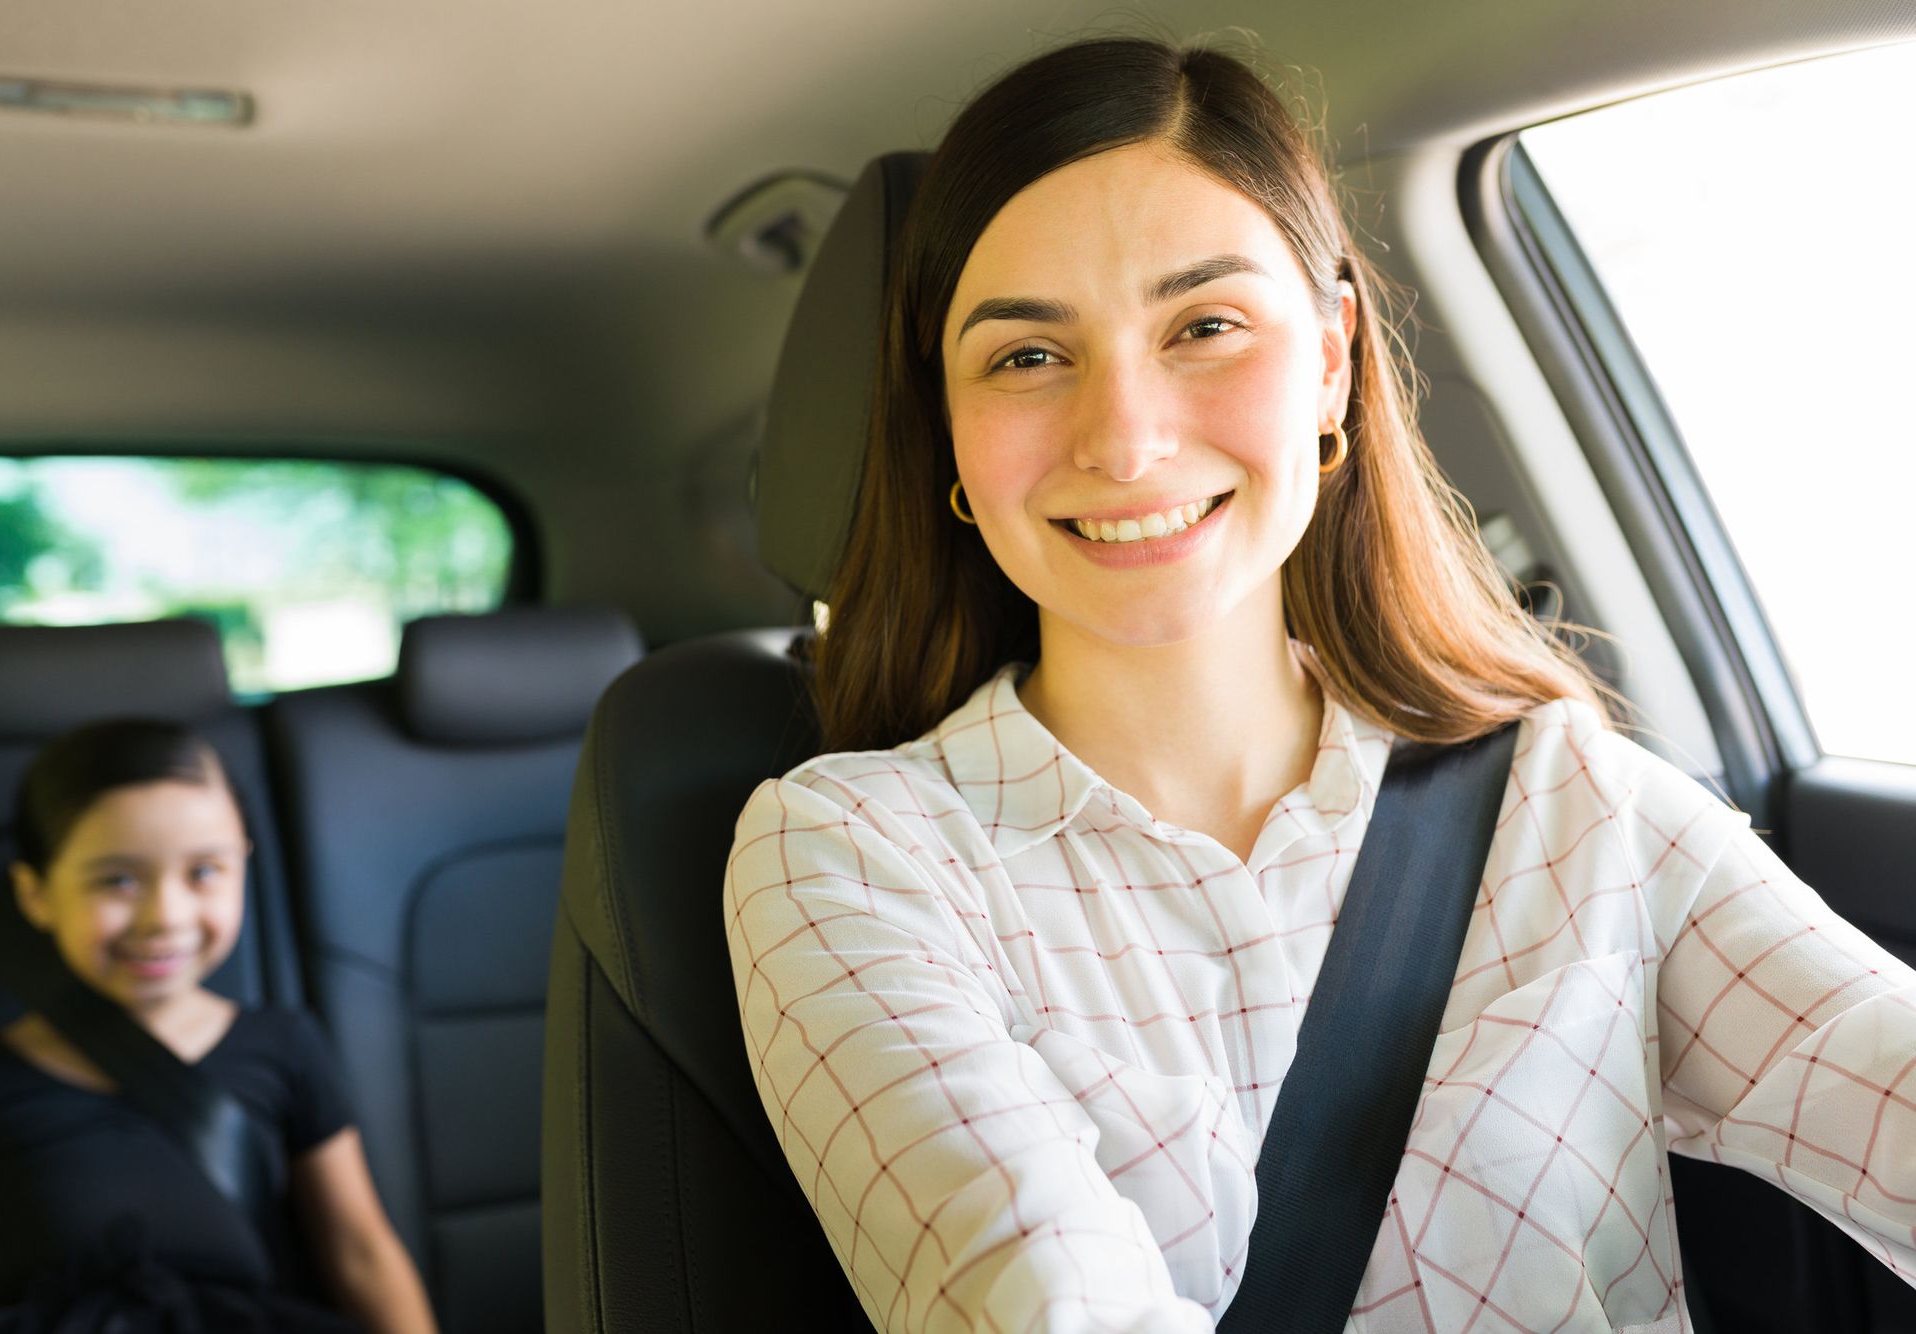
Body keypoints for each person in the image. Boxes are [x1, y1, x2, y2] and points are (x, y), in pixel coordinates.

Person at [723, 35, 1916, 1333]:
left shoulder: (1563, 799)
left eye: (1206, 326)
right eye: (1025, 355)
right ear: (946, 423)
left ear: (1335, 357)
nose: (1126, 436)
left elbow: (1878, 1074)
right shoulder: (849, 854)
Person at [0, 718, 437, 1334]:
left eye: (204, 872)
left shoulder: (284, 1048)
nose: (166, 916)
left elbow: (360, 1253)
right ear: (35, 895)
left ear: (243, 865)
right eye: (118, 880)